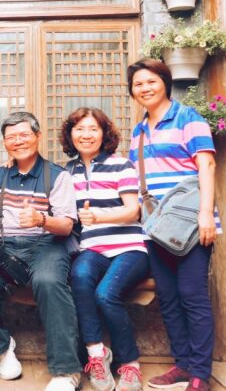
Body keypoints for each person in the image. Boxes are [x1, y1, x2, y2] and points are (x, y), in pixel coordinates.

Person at [0, 111, 82, 391]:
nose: (18, 141)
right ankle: (2, 349)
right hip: (4, 246)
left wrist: (41, 219)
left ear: (37, 136)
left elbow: (66, 225)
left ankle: (67, 370)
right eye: (11, 137)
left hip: (47, 244)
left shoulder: (57, 175)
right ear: (4, 142)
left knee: (49, 281)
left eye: (24, 135)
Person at [127, 59, 219, 391]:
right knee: (167, 297)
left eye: (151, 81)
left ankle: (200, 374)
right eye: (138, 84)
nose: (145, 88)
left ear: (165, 82)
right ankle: (182, 364)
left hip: (191, 225)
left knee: (192, 295)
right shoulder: (138, 131)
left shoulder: (188, 118)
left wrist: (205, 213)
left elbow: (207, 166)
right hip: (155, 227)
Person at [62, 107, 148, 391]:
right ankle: (97, 355)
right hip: (92, 247)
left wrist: (99, 217)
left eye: (93, 129)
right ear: (70, 135)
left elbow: (133, 211)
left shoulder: (121, 165)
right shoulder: (67, 172)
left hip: (129, 247)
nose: (86, 135)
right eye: (79, 129)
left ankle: (130, 363)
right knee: (79, 277)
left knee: (106, 294)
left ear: (104, 134)